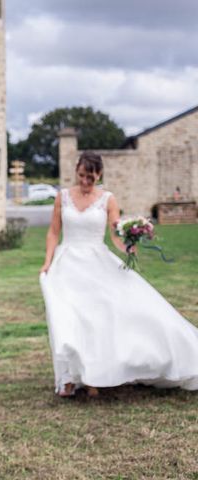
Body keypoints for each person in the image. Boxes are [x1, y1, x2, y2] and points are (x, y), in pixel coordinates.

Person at [39, 151, 198, 397]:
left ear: (99, 175)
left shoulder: (108, 200)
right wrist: (47, 262)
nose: (84, 182)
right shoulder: (62, 197)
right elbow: (53, 232)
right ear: (77, 172)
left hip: (96, 261)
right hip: (67, 262)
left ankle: (96, 373)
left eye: (90, 178)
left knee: (100, 317)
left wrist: (128, 247)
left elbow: (114, 234)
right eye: (81, 176)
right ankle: (69, 377)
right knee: (68, 317)